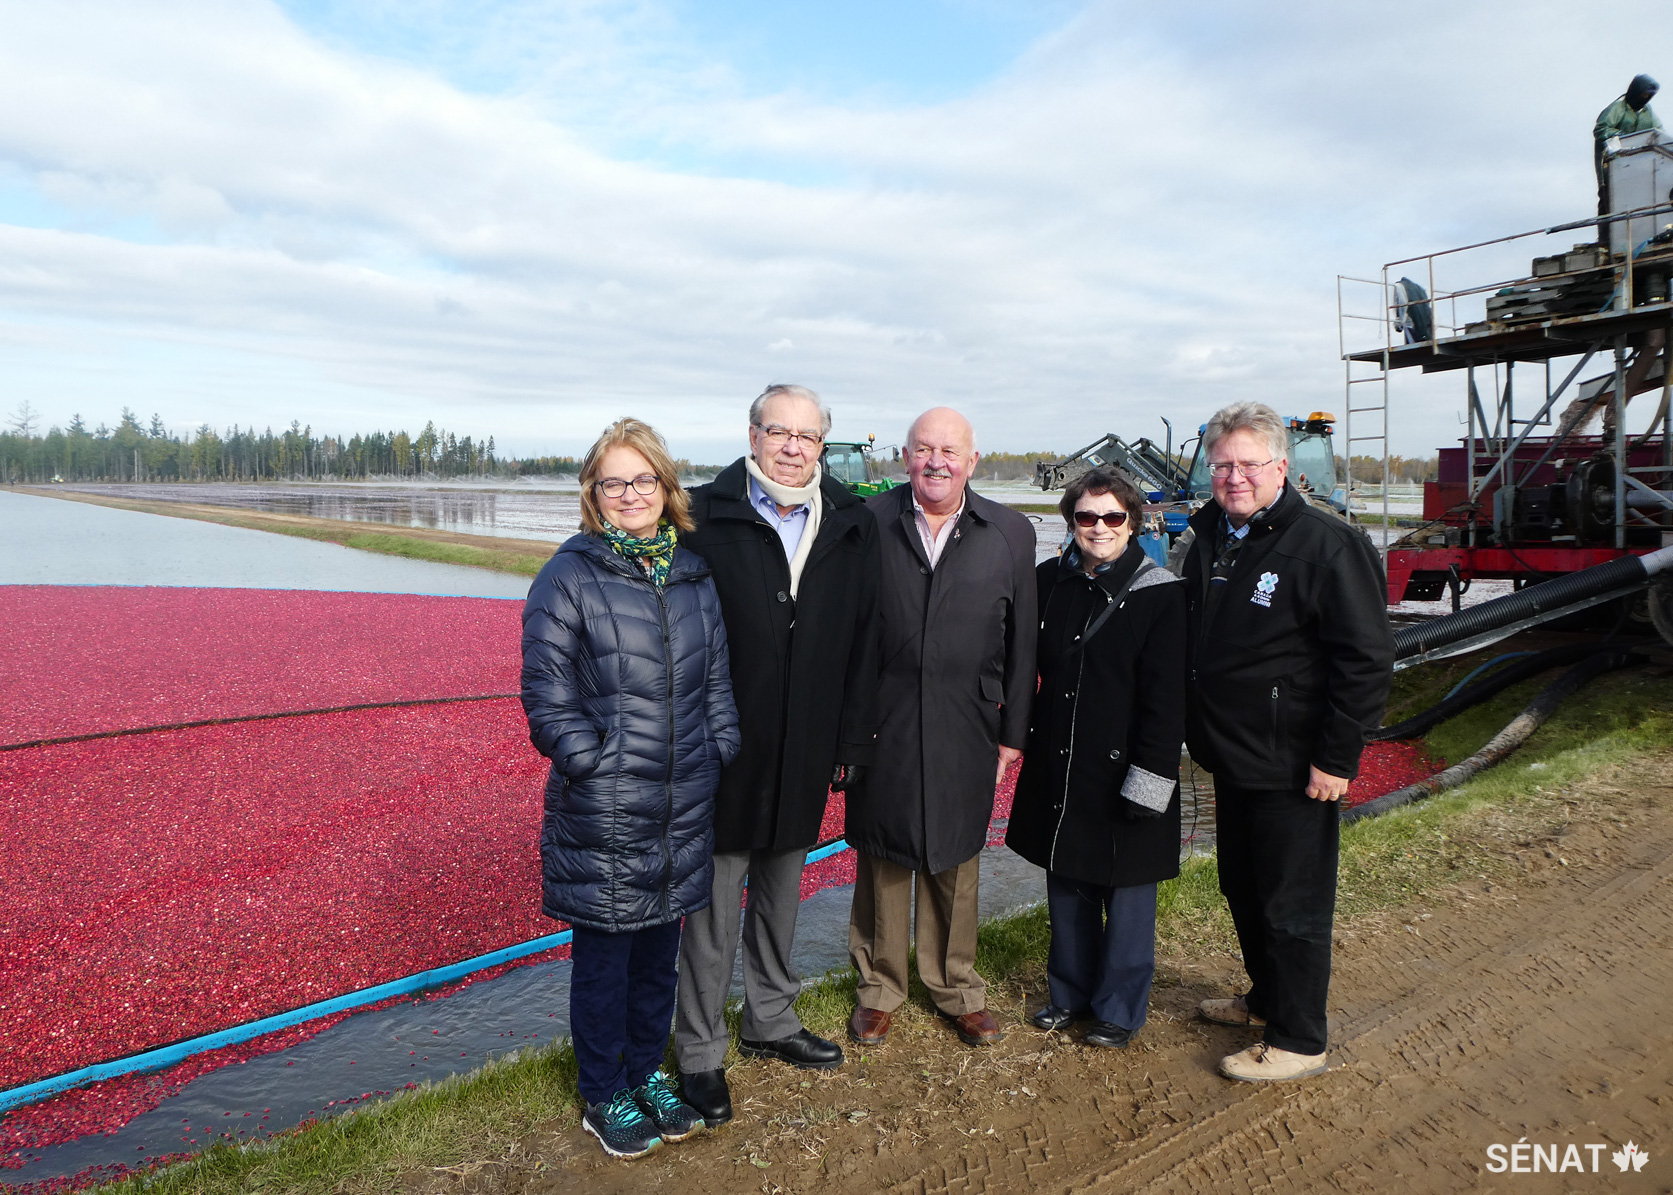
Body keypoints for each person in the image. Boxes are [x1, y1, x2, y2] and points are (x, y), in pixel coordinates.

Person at [520, 417, 741, 1158]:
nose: (629, 494)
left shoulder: (690, 573)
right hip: (607, 803)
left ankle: (646, 1072)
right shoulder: (568, 576)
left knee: (658, 954)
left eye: (642, 479)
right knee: (606, 957)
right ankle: (603, 1091)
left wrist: (720, 746)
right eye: (612, 482)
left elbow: (715, 681)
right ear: (594, 493)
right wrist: (594, 761)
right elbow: (547, 698)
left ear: (665, 486)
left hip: (682, 798)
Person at [674, 383, 880, 1127]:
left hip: (805, 745)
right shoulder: (700, 515)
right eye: (778, 431)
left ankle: (769, 1018)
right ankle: (698, 1050)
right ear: (752, 434)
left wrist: (850, 741)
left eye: (807, 436)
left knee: (781, 895)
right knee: (709, 910)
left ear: (823, 445)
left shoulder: (851, 523)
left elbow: (865, 641)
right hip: (721, 746)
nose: (793, 447)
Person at [1182, 401, 1393, 1083]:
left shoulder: (1326, 546)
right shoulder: (1211, 532)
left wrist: (1336, 757)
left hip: (1293, 762)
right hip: (1232, 755)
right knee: (1240, 884)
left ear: (1280, 467)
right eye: (1222, 465)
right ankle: (1264, 998)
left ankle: (1299, 1036)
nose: (1233, 477)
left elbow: (1363, 660)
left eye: (1247, 464)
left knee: (1291, 904)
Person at [845, 407, 1037, 1049]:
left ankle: (957, 986)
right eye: (924, 449)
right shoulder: (867, 523)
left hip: (970, 716)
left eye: (949, 451)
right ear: (905, 458)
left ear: (971, 461)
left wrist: (1015, 729)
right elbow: (842, 635)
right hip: (884, 715)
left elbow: (1024, 641)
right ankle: (879, 989)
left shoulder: (1009, 531)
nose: (936, 461)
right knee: (884, 849)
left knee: (957, 850)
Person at [1005, 467, 1185, 1049]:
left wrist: (1151, 778)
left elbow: (1167, 698)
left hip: (1128, 765)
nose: (1099, 527)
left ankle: (1119, 1008)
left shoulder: (1161, 593)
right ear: (1071, 522)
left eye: (1113, 517)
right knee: (1069, 884)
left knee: (1128, 895)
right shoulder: (1049, 583)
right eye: (1087, 516)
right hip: (1063, 759)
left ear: (1132, 523)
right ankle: (1069, 994)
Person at [1594, 74, 1661, 236]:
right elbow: (1601, 130)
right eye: (1643, 94)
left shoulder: (1647, 112)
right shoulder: (1618, 108)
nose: (1645, 99)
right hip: (1612, 164)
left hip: (1637, 166)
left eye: (1649, 96)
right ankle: (1605, 239)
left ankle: (1638, 234)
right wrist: (1624, 136)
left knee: (1638, 198)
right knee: (1609, 199)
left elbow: (1658, 132)